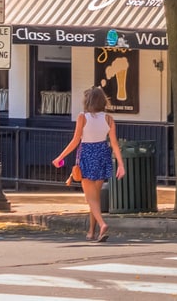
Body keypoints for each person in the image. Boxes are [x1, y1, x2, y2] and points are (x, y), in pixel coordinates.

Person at [53, 86, 125, 242]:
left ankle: (102, 224)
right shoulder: (109, 119)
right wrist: (121, 164)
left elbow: (75, 140)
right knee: (95, 197)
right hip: (102, 154)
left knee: (90, 197)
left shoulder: (82, 117)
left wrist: (60, 157)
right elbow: (114, 143)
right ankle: (92, 231)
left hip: (87, 154)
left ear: (88, 101)